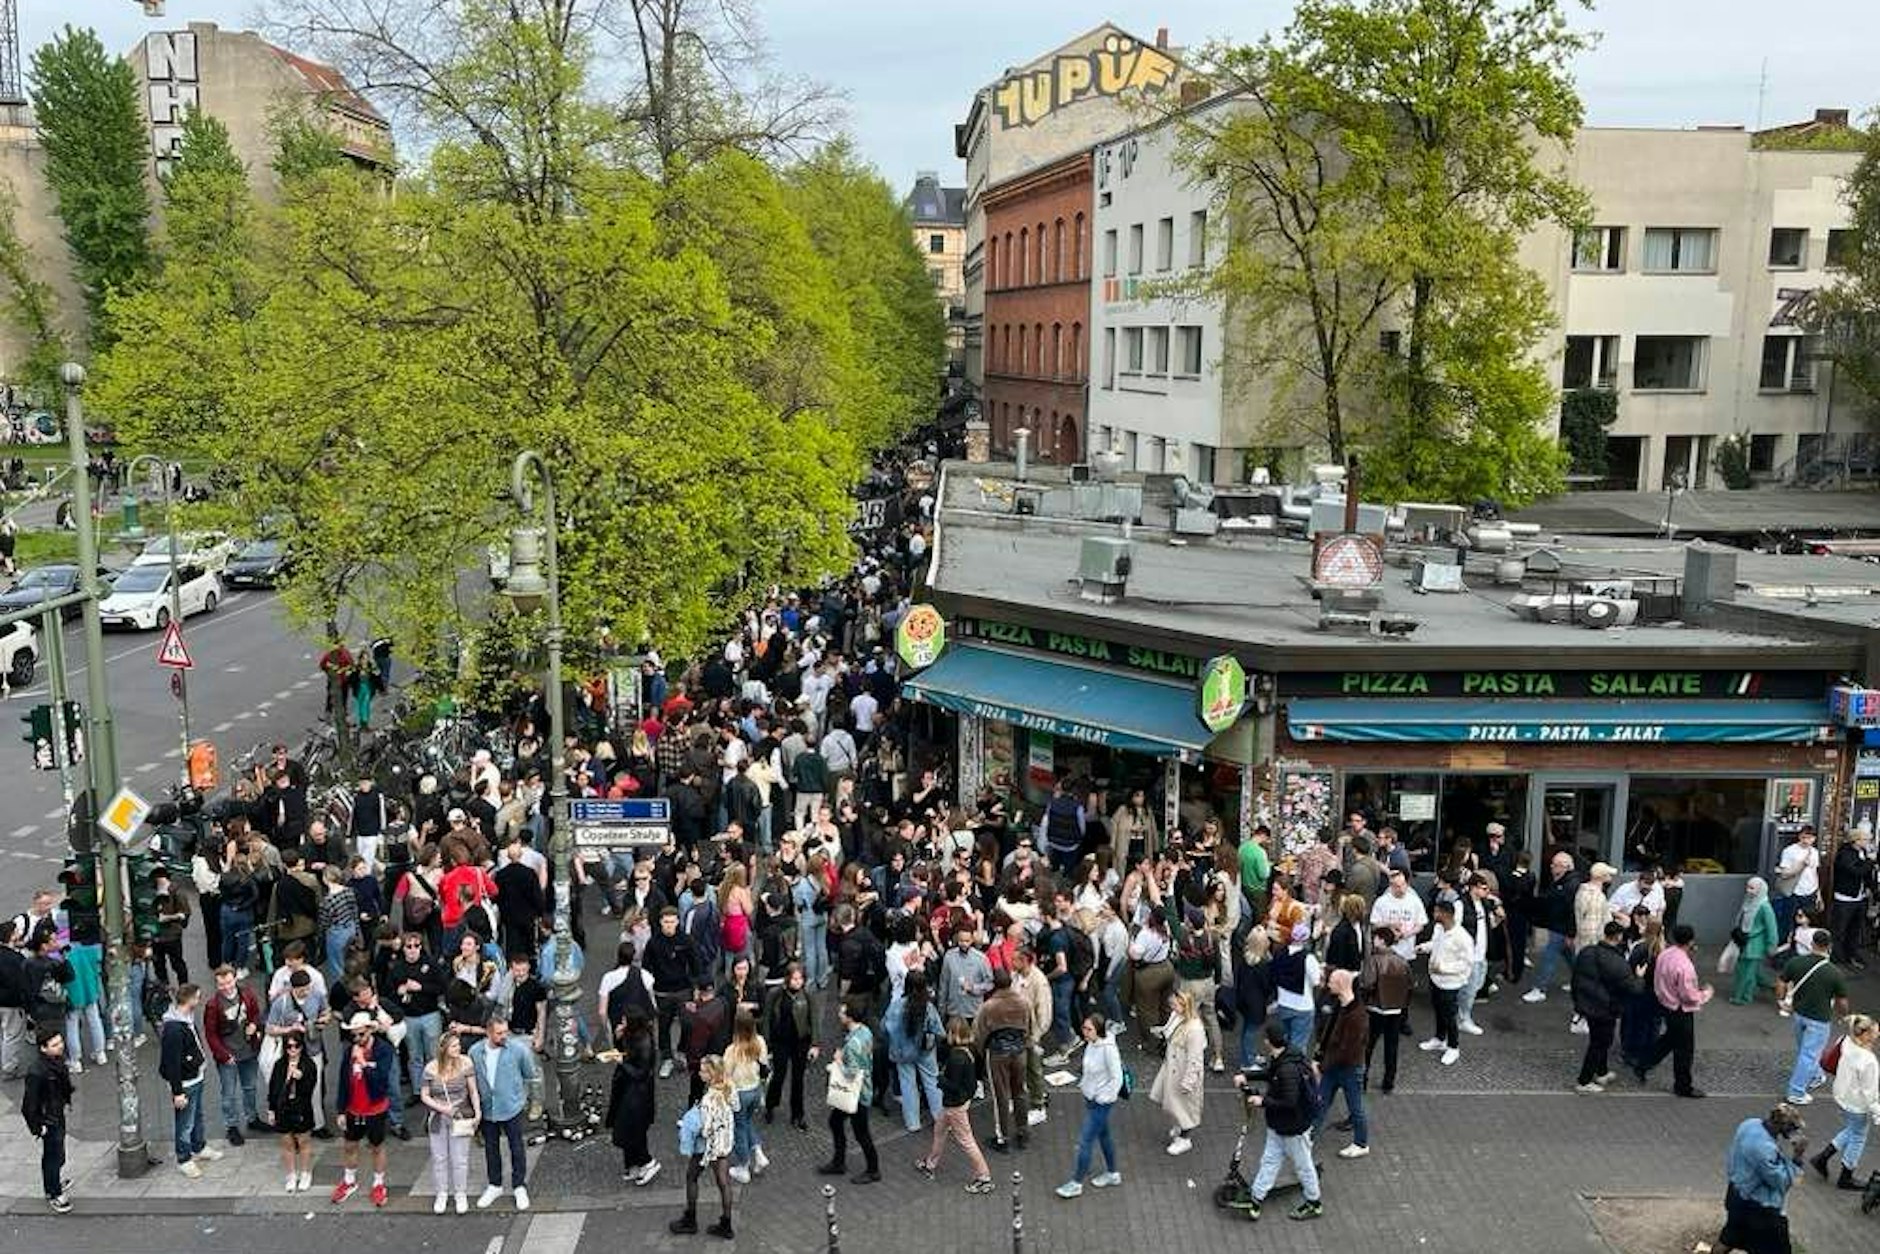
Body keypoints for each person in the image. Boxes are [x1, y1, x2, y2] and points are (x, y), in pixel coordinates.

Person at [1239, 1021, 1323, 1222]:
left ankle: (1314, 1202)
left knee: (1303, 1167)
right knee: (1269, 1161)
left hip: (1293, 1128)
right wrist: (1247, 1075)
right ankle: (1256, 1198)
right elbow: (1270, 1074)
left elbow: (1289, 1101)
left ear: (1268, 1042)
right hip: (1279, 1125)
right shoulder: (1286, 1056)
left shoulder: (1287, 1069)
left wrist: (1262, 1101)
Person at [1713, 1104, 1807, 1254]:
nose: (1795, 1132)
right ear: (1781, 1125)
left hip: (1736, 1193)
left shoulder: (1750, 1123)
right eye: (1792, 1128)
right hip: (1760, 1208)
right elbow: (1781, 1182)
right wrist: (1798, 1157)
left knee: (1730, 1236)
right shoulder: (1764, 1149)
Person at [1634, 924, 1712, 1098]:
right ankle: (1683, 1086)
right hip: (1681, 1010)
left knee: (1669, 1039)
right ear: (1691, 941)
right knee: (1684, 1050)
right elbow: (1689, 996)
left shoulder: (1665, 954)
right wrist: (1705, 994)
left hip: (1666, 1004)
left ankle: (1643, 1063)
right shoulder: (1685, 967)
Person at [471, 1015, 539, 1212]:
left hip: (512, 1107)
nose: (504, 1036)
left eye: (505, 1031)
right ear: (488, 1032)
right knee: (491, 1148)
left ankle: (519, 1186)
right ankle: (495, 1185)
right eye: (499, 1033)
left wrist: (522, 1099)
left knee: (516, 1146)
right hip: (487, 1108)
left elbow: (530, 1074)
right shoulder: (476, 1052)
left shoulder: (518, 1049)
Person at [919, 1016, 994, 1194]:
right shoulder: (969, 1051)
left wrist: (940, 1080)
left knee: (966, 1140)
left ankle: (984, 1177)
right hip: (957, 1103)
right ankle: (930, 1163)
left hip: (954, 1105)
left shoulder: (956, 1057)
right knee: (940, 1130)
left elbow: (954, 1085)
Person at [330, 1011, 397, 1207]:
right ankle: (349, 1181)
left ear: (370, 1031)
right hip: (354, 1108)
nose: (357, 1039)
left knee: (377, 1147)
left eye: (361, 1035)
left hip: (375, 1108)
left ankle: (378, 1183)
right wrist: (341, 1109)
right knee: (350, 1145)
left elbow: (381, 1081)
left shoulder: (383, 1050)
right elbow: (344, 1081)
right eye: (354, 1035)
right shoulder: (349, 1051)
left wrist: (363, 1063)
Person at [1774, 929, 1848, 1106]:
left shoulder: (1796, 962)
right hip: (1819, 1019)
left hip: (1799, 1015)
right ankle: (1796, 1092)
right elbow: (1842, 1001)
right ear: (1829, 946)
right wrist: (1843, 1016)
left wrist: (1781, 1000)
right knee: (1809, 1054)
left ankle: (1816, 1075)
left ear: (1812, 943)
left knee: (1805, 1050)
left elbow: (1780, 982)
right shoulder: (1834, 973)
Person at [1054, 1014, 1124, 1199]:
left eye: (1088, 1029)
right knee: (1104, 1135)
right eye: (1084, 1028)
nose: (1084, 1032)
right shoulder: (1092, 1043)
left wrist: (1102, 1097)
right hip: (1092, 1098)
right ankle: (1112, 1173)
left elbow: (1117, 1078)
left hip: (1100, 1103)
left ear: (1098, 1030)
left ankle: (1076, 1183)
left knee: (1085, 1141)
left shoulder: (1108, 1049)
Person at [1808, 1013, 1879, 1190]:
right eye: (1875, 1031)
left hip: (1842, 1096)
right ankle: (1846, 1176)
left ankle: (1822, 1158)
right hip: (1857, 1104)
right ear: (1865, 1034)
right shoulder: (1869, 1061)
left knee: (1851, 1130)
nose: (1878, 1034)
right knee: (1858, 1137)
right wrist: (1878, 1114)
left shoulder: (1846, 1041)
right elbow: (1870, 1094)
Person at [669, 1055, 737, 1239]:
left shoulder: (708, 1100)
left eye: (703, 1070)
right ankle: (727, 1223)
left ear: (712, 1073)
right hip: (724, 1143)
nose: (699, 1073)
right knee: (724, 1183)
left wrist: (687, 1125)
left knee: (691, 1177)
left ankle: (690, 1220)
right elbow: (735, 1108)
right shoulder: (729, 1087)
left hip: (707, 1148)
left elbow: (705, 1130)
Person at [159, 983, 223, 1177]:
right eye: (197, 997)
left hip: (195, 1076)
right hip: (185, 1083)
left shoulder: (185, 1019)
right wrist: (177, 1092)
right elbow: (172, 1063)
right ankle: (184, 1158)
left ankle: (199, 1146)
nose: (199, 999)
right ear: (190, 1000)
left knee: (196, 1116)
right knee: (185, 1122)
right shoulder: (174, 1029)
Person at [816, 995, 881, 1184]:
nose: (839, 1014)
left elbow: (851, 1074)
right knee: (836, 1122)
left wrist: (838, 1061)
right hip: (863, 1089)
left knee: (861, 1132)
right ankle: (839, 1161)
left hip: (856, 1094)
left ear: (850, 1017)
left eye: (842, 1012)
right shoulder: (865, 1032)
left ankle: (872, 1169)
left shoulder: (853, 1044)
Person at [1571, 922, 1642, 1094]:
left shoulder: (1587, 952)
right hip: (1605, 1008)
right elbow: (1633, 988)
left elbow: (1577, 977)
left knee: (1599, 1039)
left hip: (1587, 1004)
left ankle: (1601, 1071)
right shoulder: (1617, 962)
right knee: (1600, 1042)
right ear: (1618, 937)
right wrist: (1639, 977)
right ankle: (1584, 1080)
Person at [203, 964, 266, 1146]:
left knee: (250, 1087)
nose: (226, 987)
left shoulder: (247, 994)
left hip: (248, 1050)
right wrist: (223, 1055)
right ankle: (232, 1125)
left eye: (229, 982)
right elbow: (211, 1034)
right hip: (228, 1055)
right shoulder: (213, 1005)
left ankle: (252, 1117)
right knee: (228, 1093)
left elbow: (256, 1014)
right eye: (222, 984)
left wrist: (255, 1024)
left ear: (235, 979)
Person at [421, 1030, 480, 1214]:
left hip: (460, 1114)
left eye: (458, 1045)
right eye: (454, 1046)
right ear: (444, 1049)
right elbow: (425, 1095)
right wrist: (442, 1108)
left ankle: (460, 1193)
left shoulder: (466, 1063)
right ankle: (442, 1193)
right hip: (439, 1116)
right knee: (439, 1157)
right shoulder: (431, 1068)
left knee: (460, 1158)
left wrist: (477, 1112)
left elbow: (473, 1091)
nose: (458, 1048)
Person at [1313, 968, 1371, 1158]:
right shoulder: (1341, 1006)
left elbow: (1347, 1050)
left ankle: (1361, 1143)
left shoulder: (1357, 1016)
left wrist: (1323, 1065)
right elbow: (1329, 1034)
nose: (1327, 985)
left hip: (1348, 1069)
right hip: (1333, 1066)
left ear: (1340, 985)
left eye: (1330, 982)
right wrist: (1320, 1056)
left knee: (1356, 1107)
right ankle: (1309, 1135)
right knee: (1321, 1101)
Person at [21, 1027, 74, 1214]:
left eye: (60, 1042)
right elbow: (29, 1104)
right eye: (55, 1044)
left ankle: (53, 1183)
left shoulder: (56, 1062)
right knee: (53, 1156)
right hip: (48, 1120)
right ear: (43, 1048)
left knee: (58, 1154)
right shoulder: (37, 1072)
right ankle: (54, 1192)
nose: (60, 1047)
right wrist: (38, 1127)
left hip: (56, 1114)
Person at [885, 969, 945, 1134]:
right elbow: (939, 1031)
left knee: (908, 1085)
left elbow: (886, 1027)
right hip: (925, 1051)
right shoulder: (928, 1007)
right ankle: (940, 1118)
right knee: (932, 1082)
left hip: (902, 1052)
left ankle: (913, 1122)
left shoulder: (896, 1006)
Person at [762, 963, 819, 1130]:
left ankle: (798, 1114)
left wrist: (815, 1043)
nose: (797, 982)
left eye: (800, 979)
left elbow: (814, 1019)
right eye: (794, 978)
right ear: (788, 979)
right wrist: (766, 1041)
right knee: (778, 1075)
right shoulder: (775, 994)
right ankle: (771, 1105)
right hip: (781, 1041)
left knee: (798, 1079)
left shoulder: (808, 995)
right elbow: (767, 1018)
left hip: (800, 1041)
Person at [608, 1009, 661, 1186]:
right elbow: (623, 1051)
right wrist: (618, 1038)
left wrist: (622, 1063)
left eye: (624, 1020)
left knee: (633, 1130)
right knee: (627, 1129)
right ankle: (633, 1165)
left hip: (638, 1094)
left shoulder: (644, 1041)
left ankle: (647, 1162)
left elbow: (641, 1073)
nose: (621, 1022)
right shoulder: (631, 1035)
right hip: (628, 1090)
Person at [1150, 989, 1206, 1156]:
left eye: (1174, 1005)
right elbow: (1169, 1031)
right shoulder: (1178, 1017)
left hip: (1183, 1072)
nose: (1172, 1008)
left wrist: (1189, 1082)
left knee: (1185, 1108)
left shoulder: (1195, 1029)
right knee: (1173, 1103)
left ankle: (1184, 1138)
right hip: (1173, 1068)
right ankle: (1179, 1126)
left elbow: (1195, 1060)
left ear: (1184, 1005)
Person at [1419, 898, 1471, 1067]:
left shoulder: (1462, 937)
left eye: (1436, 911)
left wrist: (1444, 968)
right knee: (1439, 1010)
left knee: (1449, 1015)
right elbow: (1435, 944)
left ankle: (1453, 1047)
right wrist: (1423, 947)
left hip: (1450, 983)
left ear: (1446, 915)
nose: (1434, 914)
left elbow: (1466, 963)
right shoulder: (1439, 928)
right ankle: (1439, 1038)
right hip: (1435, 979)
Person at [1359, 926, 1411, 1094]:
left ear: (1381, 940)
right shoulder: (1402, 961)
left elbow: (1367, 983)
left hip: (1376, 1008)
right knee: (1391, 1047)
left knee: (1368, 1046)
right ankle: (1388, 1082)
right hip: (1395, 1010)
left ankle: (1362, 1080)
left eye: (1375, 938)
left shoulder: (1374, 961)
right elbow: (1409, 985)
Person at [723, 1010, 771, 1183]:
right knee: (748, 1122)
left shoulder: (732, 1050)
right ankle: (758, 1153)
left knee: (739, 1129)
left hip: (740, 1093)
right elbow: (764, 1063)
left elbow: (726, 1075)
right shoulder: (760, 1042)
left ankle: (743, 1166)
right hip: (755, 1090)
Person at [268, 1030, 318, 1193]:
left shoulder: (308, 1065)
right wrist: (271, 1109)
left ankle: (305, 1173)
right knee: (287, 1143)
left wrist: (301, 1077)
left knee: (304, 1142)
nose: (293, 1049)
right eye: (289, 1046)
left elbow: (310, 1089)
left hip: (301, 1107)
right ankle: (291, 1175)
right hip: (283, 1108)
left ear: (302, 1047)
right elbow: (273, 1089)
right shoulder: (280, 1065)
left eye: (296, 1046)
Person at [1730, 878, 1781, 1006]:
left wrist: (1772, 945)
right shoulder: (1749, 901)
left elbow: (1772, 927)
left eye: (1752, 888)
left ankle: (1742, 997)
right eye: (1748, 887)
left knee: (1746, 973)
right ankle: (1774, 987)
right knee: (1751, 971)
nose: (1748, 890)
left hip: (1755, 944)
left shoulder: (1764, 906)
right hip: (1744, 941)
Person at [1772, 826, 1821, 946]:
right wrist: (1802, 865)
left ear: (1814, 839)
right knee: (1788, 923)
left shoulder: (1814, 852)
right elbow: (1784, 874)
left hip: (1810, 892)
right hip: (1794, 892)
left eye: (1809, 838)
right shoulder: (1789, 851)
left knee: (1807, 923)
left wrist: (1818, 893)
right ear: (1799, 836)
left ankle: (1801, 949)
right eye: (1804, 837)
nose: (1806, 840)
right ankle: (1782, 951)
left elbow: (1814, 873)